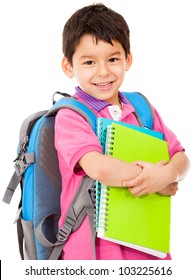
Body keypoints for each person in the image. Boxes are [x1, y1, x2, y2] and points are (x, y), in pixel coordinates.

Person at [54, 3, 190, 260]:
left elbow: (182, 158)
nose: (103, 71)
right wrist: (155, 180)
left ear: (127, 59)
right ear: (69, 66)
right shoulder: (71, 116)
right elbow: (99, 168)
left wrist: (169, 173)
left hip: (149, 248)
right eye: (89, 62)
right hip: (94, 255)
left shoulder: (141, 108)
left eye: (113, 59)